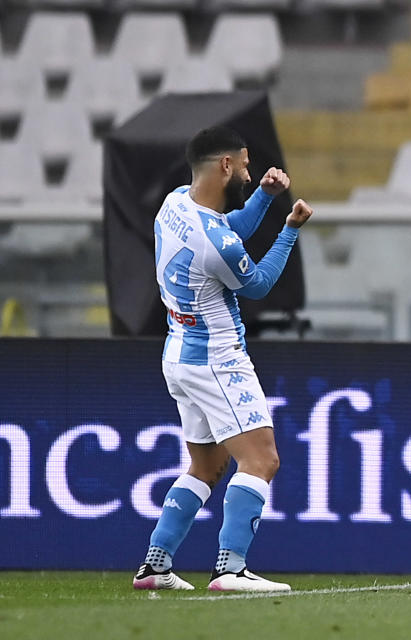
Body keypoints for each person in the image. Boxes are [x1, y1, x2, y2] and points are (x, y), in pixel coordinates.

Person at [133, 126, 312, 592]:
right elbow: (256, 285)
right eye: (247, 166)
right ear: (226, 165)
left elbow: (227, 229)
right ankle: (230, 569)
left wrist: (265, 199)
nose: (251, 174)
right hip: (218, 358)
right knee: (262, 461)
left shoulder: (175, 203)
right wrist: (289, 229)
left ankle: (156, 565)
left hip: (178, 353)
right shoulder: (215, 241)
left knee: (206, 467)